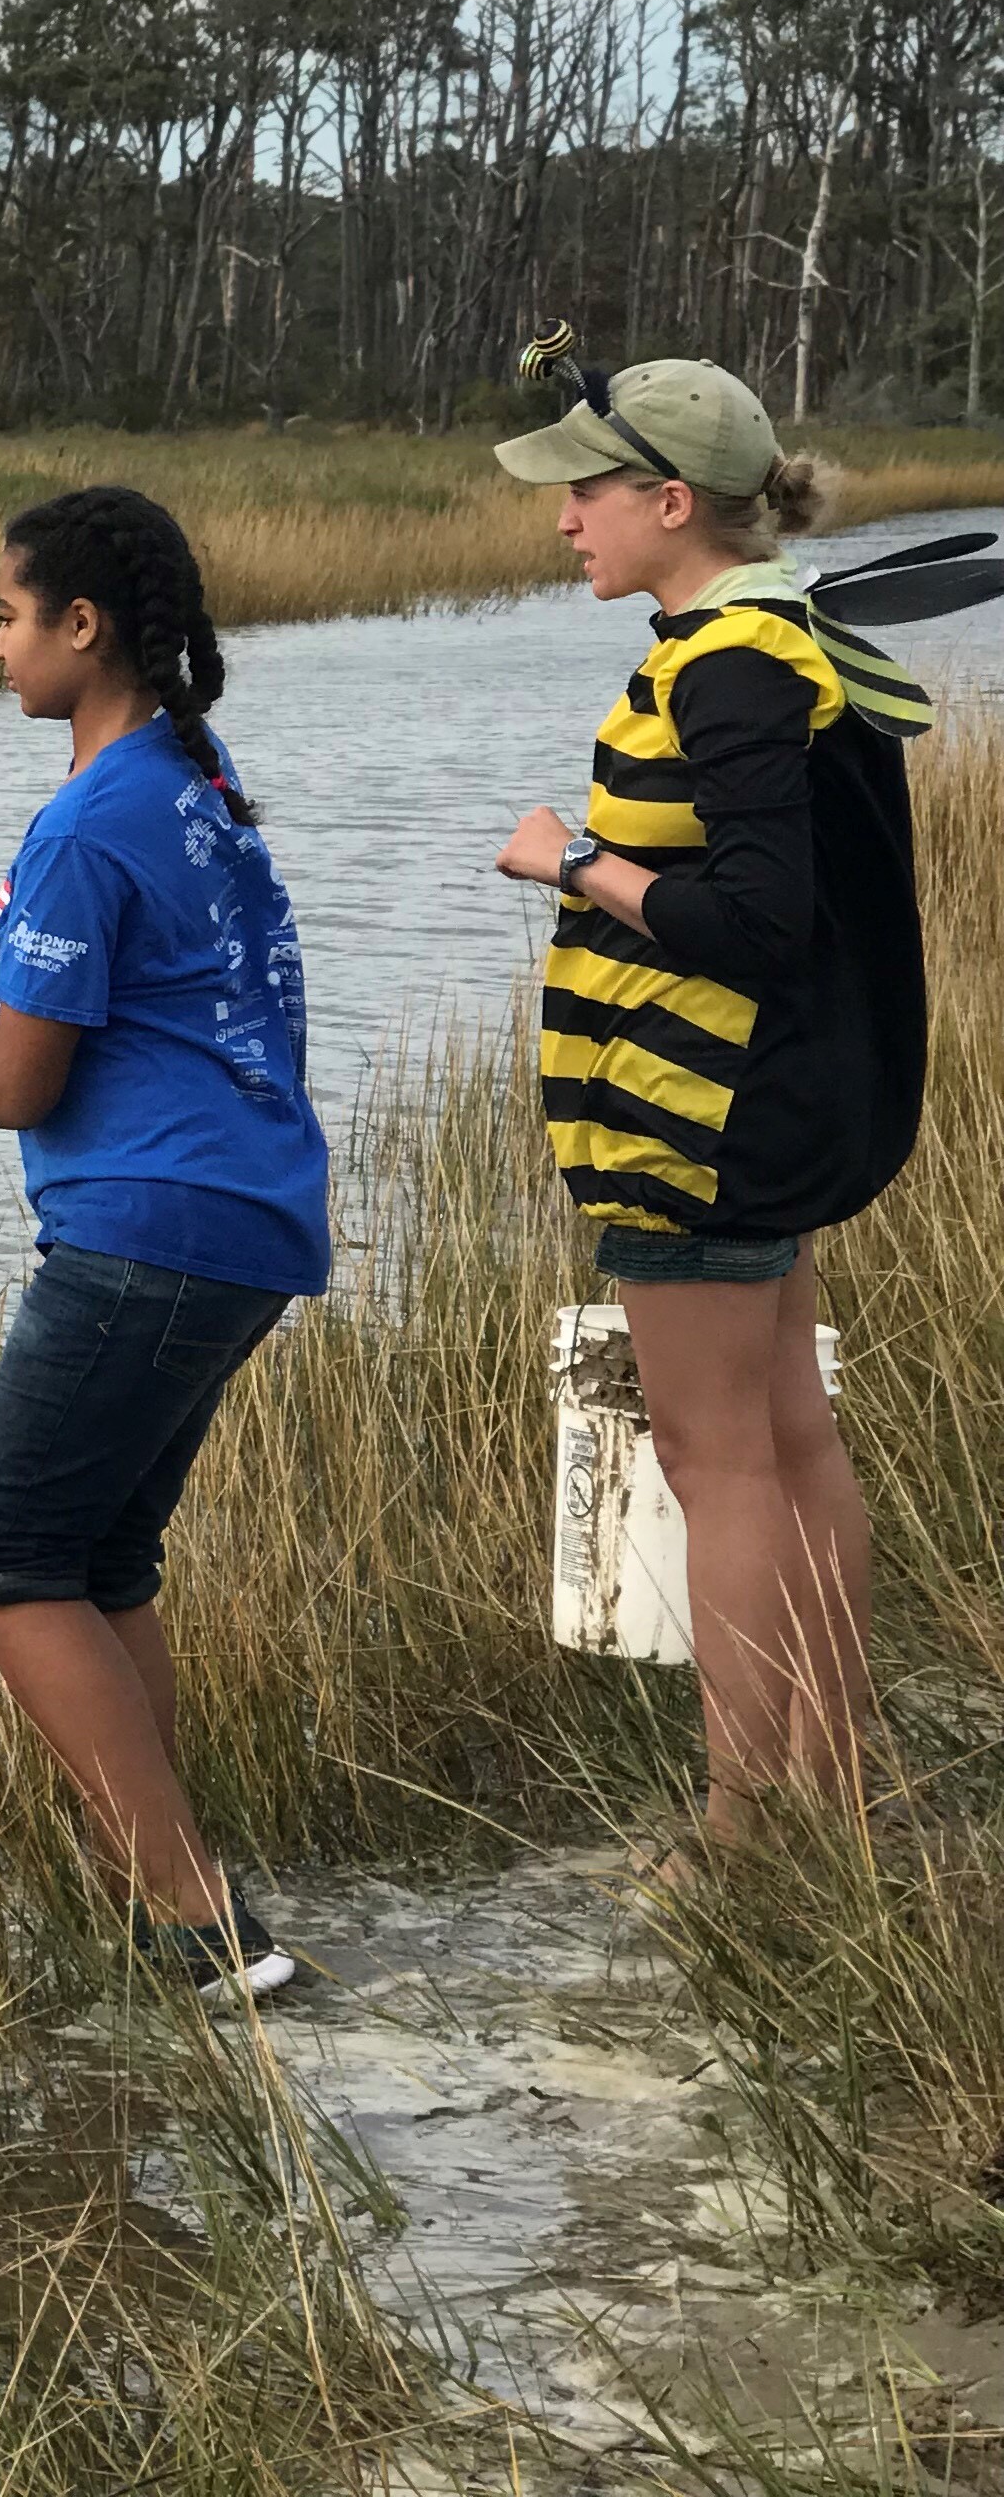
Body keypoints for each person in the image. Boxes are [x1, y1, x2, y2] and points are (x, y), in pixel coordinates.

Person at [0, 487, 331, 2001]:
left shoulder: (94, 815)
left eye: (6, 614)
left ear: (80, 627)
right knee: (102, 1560)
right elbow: (57, 957)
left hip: (143, 1232)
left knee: (7, 1562)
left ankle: (198, 1919)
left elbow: (20, 1075)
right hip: (246, 1223)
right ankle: (158, 1889)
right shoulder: (182, 777)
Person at [490, 355, 921, 1852]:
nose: (567, 525)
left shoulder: (728, 665)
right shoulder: (779, 631)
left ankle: (743, 1819)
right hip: (778, 1112)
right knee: (792, 1439)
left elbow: (759, 917)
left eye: (588, 494)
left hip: (706, 1125)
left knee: (715, 1459)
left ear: (671, 502)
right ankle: (838, 1767)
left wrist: (571, 864)